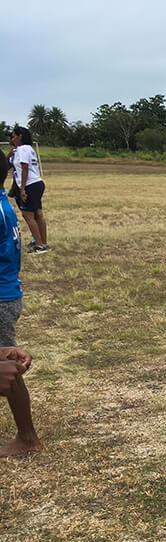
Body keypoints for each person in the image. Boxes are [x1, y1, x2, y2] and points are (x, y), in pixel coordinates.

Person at [1, 160, 39, 458]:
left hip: (1, 297)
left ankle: (27, 437)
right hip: (7, 293)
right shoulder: (3, 203)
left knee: (7, 366)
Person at [7, 127, 47, 254]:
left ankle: (39, 245)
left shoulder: (23, 149)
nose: (11, 139)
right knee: (37, 214)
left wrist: (23, 188)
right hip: (36, 183)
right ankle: (43, 243)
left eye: (13, 136)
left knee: (28, 215)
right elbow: (9, 167)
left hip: (30, 185)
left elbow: (24, 167)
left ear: (20, 137)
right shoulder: (20, 150)